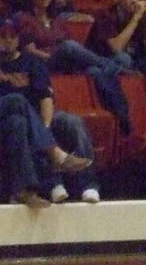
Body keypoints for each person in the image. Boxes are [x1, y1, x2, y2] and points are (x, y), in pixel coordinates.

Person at [16, 0, 131, 133]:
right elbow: (29, 50)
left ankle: (122, 116)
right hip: (43, 63)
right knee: (69, 46)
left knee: (96, 72)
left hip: (65, 62)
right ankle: (115, 67)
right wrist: (53, 56)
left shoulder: (57, 19)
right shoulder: (24, 18)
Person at [0, 16, 95, 205]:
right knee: (17, 100)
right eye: (2, 36)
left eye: (12, 36)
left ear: (19, 39)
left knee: (69, 121)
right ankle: (56, 155)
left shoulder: (32, 62)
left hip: (29, 121)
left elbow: (45, 98)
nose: (8, 40)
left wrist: (45, 127)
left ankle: (86, 186)